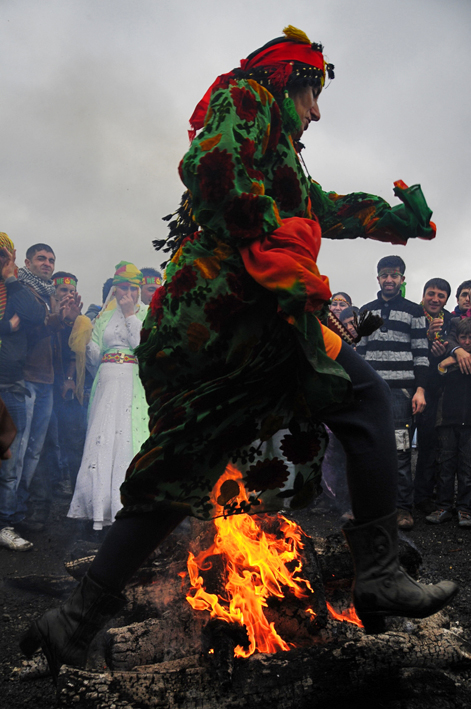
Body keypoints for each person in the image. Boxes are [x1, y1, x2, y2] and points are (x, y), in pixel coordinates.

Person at [21, 26, 457, 681]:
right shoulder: (246, 100)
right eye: (314, 95)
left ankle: (73, 620)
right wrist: (268, 240)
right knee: (363, 397)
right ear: (292, 80)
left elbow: (319, 206)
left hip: (229, 314)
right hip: (228, 310)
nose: (318, 111)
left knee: (186, 463)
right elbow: (213, 171)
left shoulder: (279, 143)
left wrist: (394, 220)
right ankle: (378, 573)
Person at [67, 262, 148, 534]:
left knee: (128, 441)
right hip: (105, 383)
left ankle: (127, 507)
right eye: (122, 287)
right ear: (114, 289)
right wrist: (83, 331)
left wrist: (129, 314)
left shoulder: (147, 314)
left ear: (138, 291)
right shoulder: (103, 317)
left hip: (133, 384)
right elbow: (93, 359)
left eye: (132, 288)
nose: (127, 293)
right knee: (101, 442)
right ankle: (99, 511)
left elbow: (143, 347)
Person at [357, 256, 429, 530]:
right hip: (372, 393)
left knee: (400, 452)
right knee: (369, 449)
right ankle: (370, 508)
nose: (389, 279)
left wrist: (420, 389)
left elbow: (421, 354)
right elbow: (360, 354)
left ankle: (402, 509)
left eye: (395, 275)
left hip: (401, 395)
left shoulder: (414, 312)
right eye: (385, 274)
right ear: (378, 278)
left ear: (402, 279)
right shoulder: (366, 311)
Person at [15, 245, 81, 531]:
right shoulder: (21, 292)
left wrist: (66, 321)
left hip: (48, 381)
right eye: (41, 259)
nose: (47, 263)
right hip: (26, 377)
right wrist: (58, 320)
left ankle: (29, 505)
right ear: (27, 262)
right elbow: (28, 335)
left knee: (39, 447)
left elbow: (64, 348)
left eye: (51, 260)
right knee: (22, 448)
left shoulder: (48, 296)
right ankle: (19, 510)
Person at [0, 234, 45, 550]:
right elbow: (14, 324)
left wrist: (11, 280)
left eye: (3, 255)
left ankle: (4, 524)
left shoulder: (16, 289)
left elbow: (36, 316)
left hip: (11, 385)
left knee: (10, 459)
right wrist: (5, 327)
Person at [425, 317, 471, 526]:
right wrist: (443, 365)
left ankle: (465, 509)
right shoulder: (447, 356)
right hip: (446, 420)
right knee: (445, 466)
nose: (467, 341)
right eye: (463, 337)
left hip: (469, 422)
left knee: (467, 467)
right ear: (457, 338)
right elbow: (434, 385)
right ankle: (443, 506)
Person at [414, 278, 453, 513]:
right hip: (412, 387)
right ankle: (397, 497)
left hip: (437, 391)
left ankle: (423, 497)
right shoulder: (413, 315)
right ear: (424, 294)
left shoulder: (450, 321)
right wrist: (426, 338)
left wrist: (441, 354)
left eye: (441, 295)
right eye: (431, 293)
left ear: (446, 299)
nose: (435, 299)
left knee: (429, 445)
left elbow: (456, 346)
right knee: (400, 446)